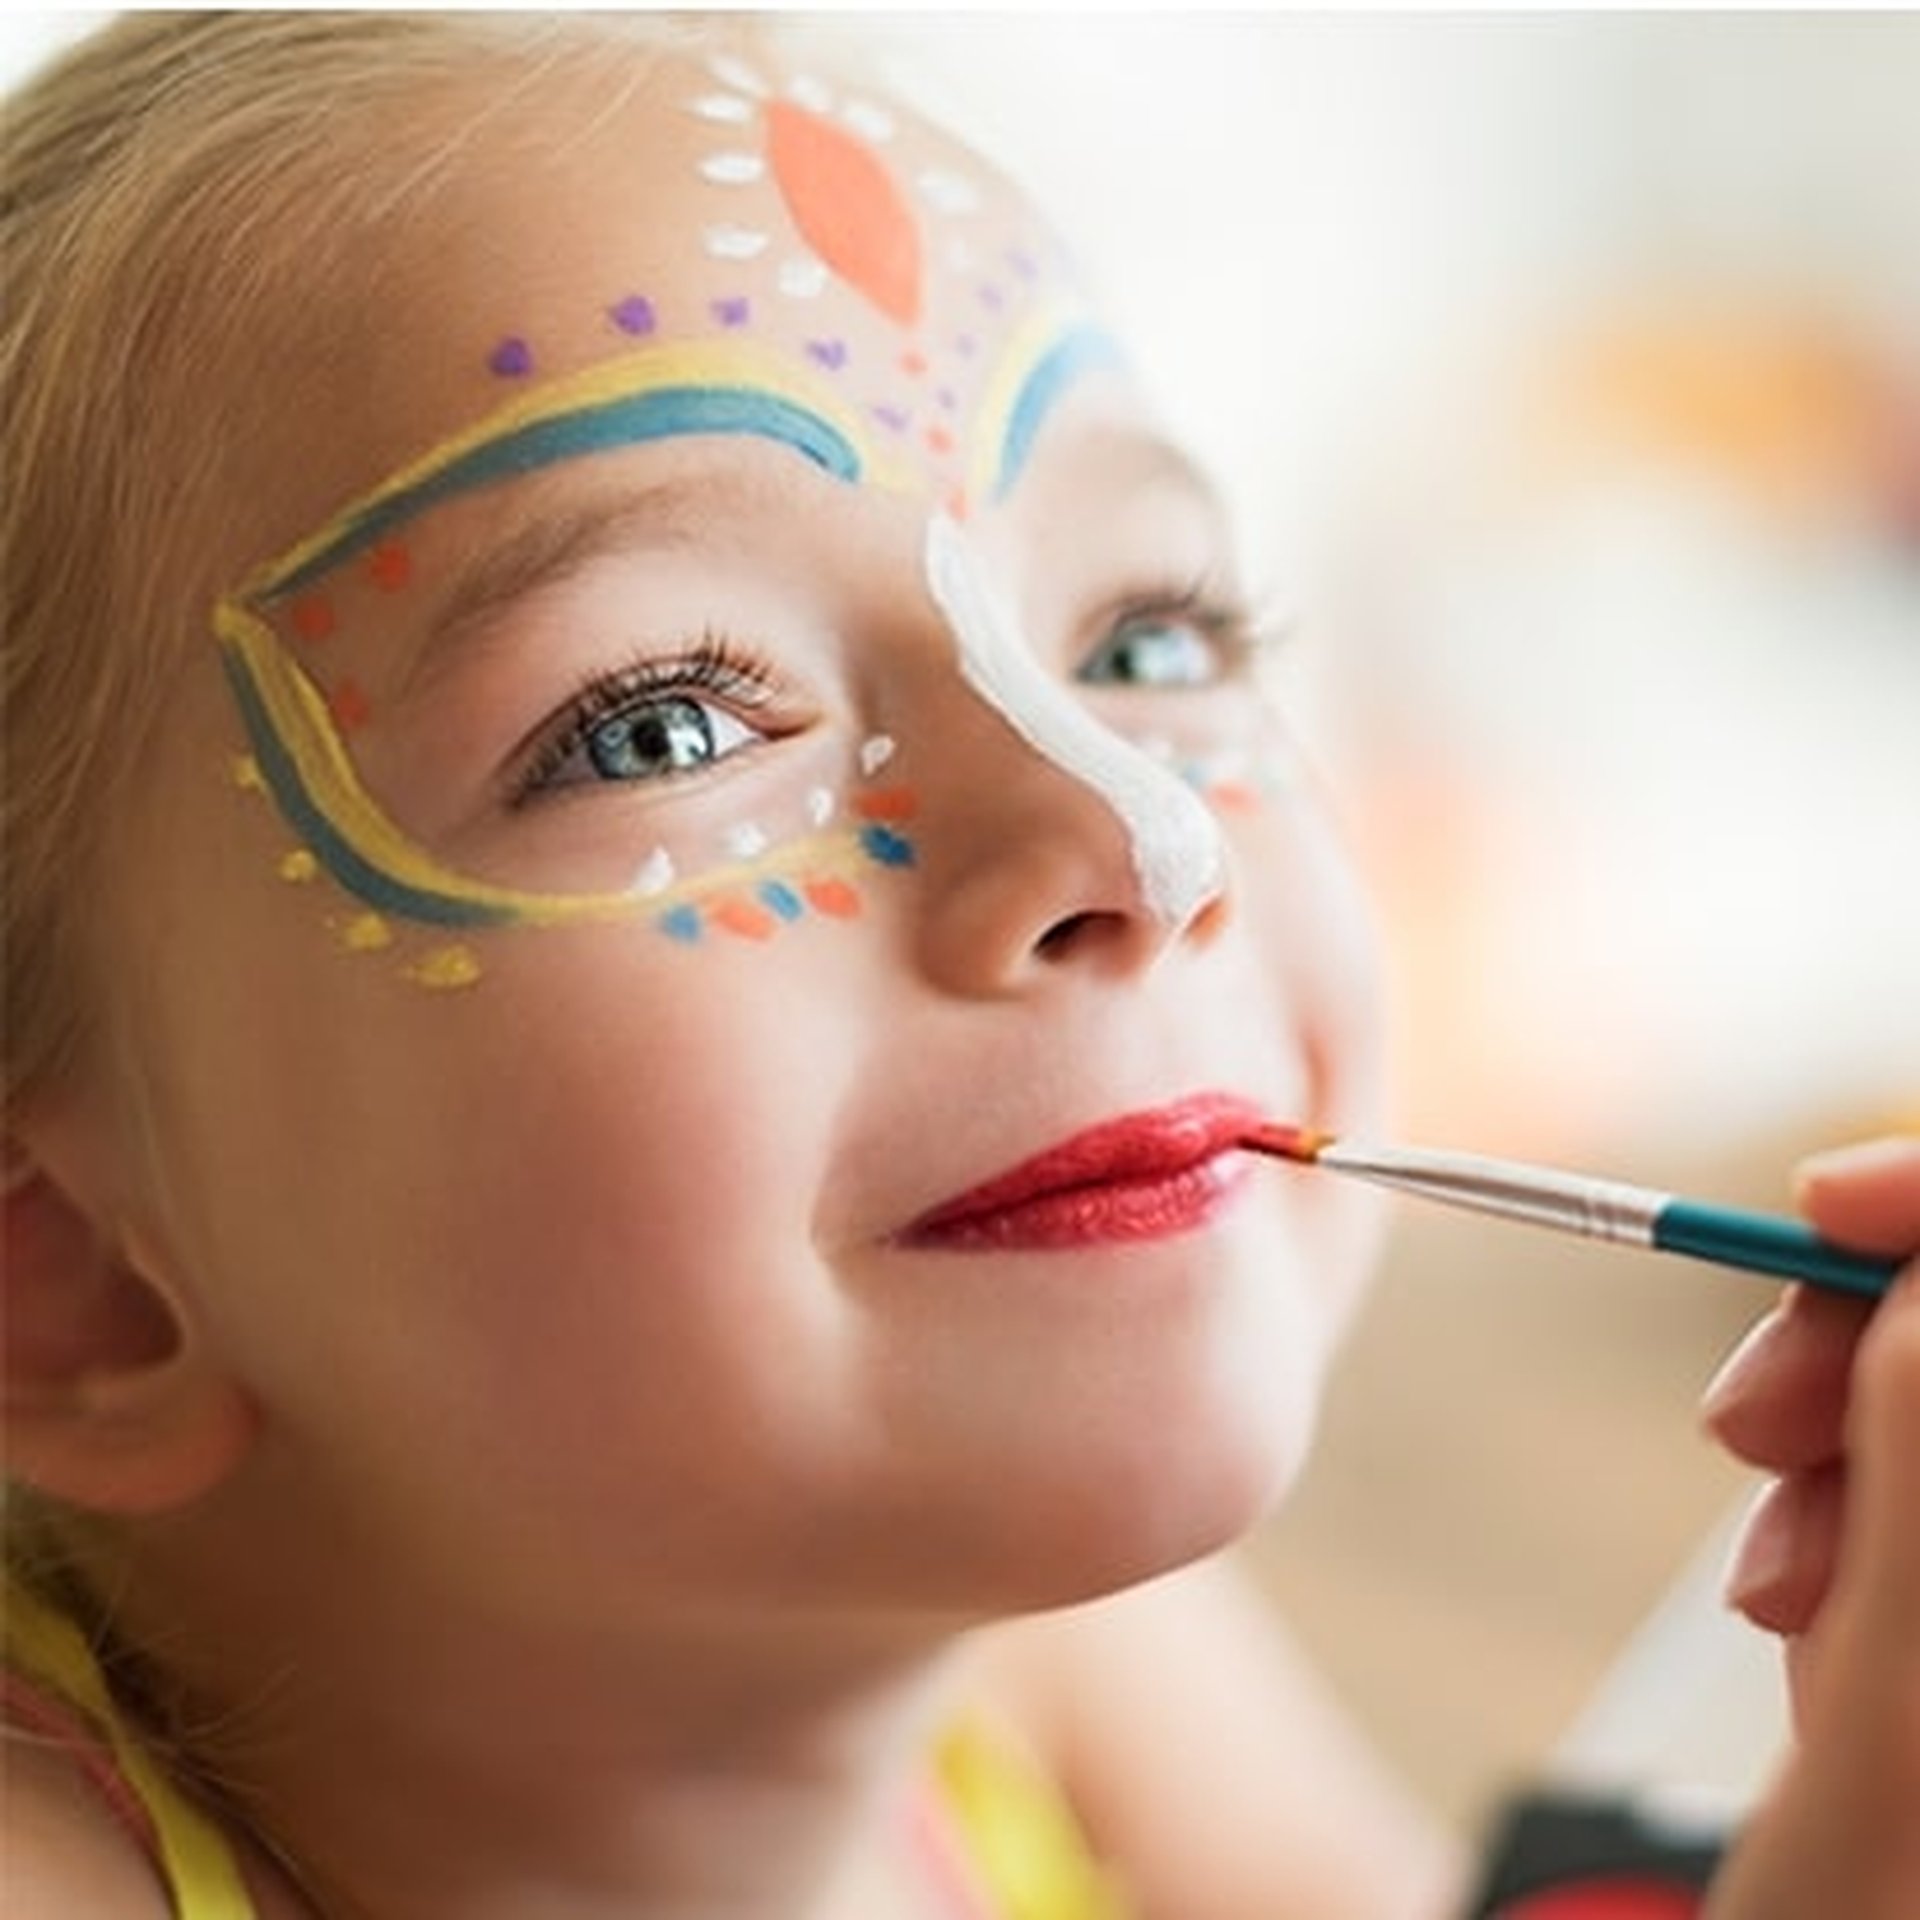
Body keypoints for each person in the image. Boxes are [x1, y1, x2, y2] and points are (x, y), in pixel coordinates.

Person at [0, 12, 1912, 1918]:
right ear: (65, 1273)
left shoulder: (1026, 1633)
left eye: (1150, 641)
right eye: (659, 728)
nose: (1143, 847)